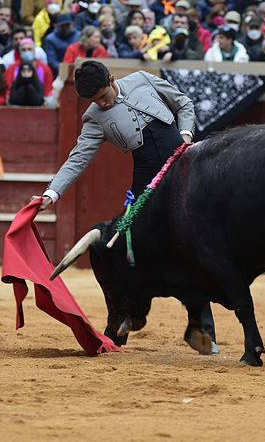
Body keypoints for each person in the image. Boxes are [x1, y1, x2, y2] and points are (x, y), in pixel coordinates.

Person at [32, 60, 217, 353]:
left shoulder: (143, 79)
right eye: (96, 101)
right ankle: (122, 322)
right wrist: (51, 194)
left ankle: (203, 328)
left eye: (104, 95)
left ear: (111, 78)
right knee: (126, 251)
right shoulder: (94, 117)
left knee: (194, 245)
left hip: (184, 171)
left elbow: (184, 104)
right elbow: (78, 158)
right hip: (146, 185)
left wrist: (185, 134)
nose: (103, 104)